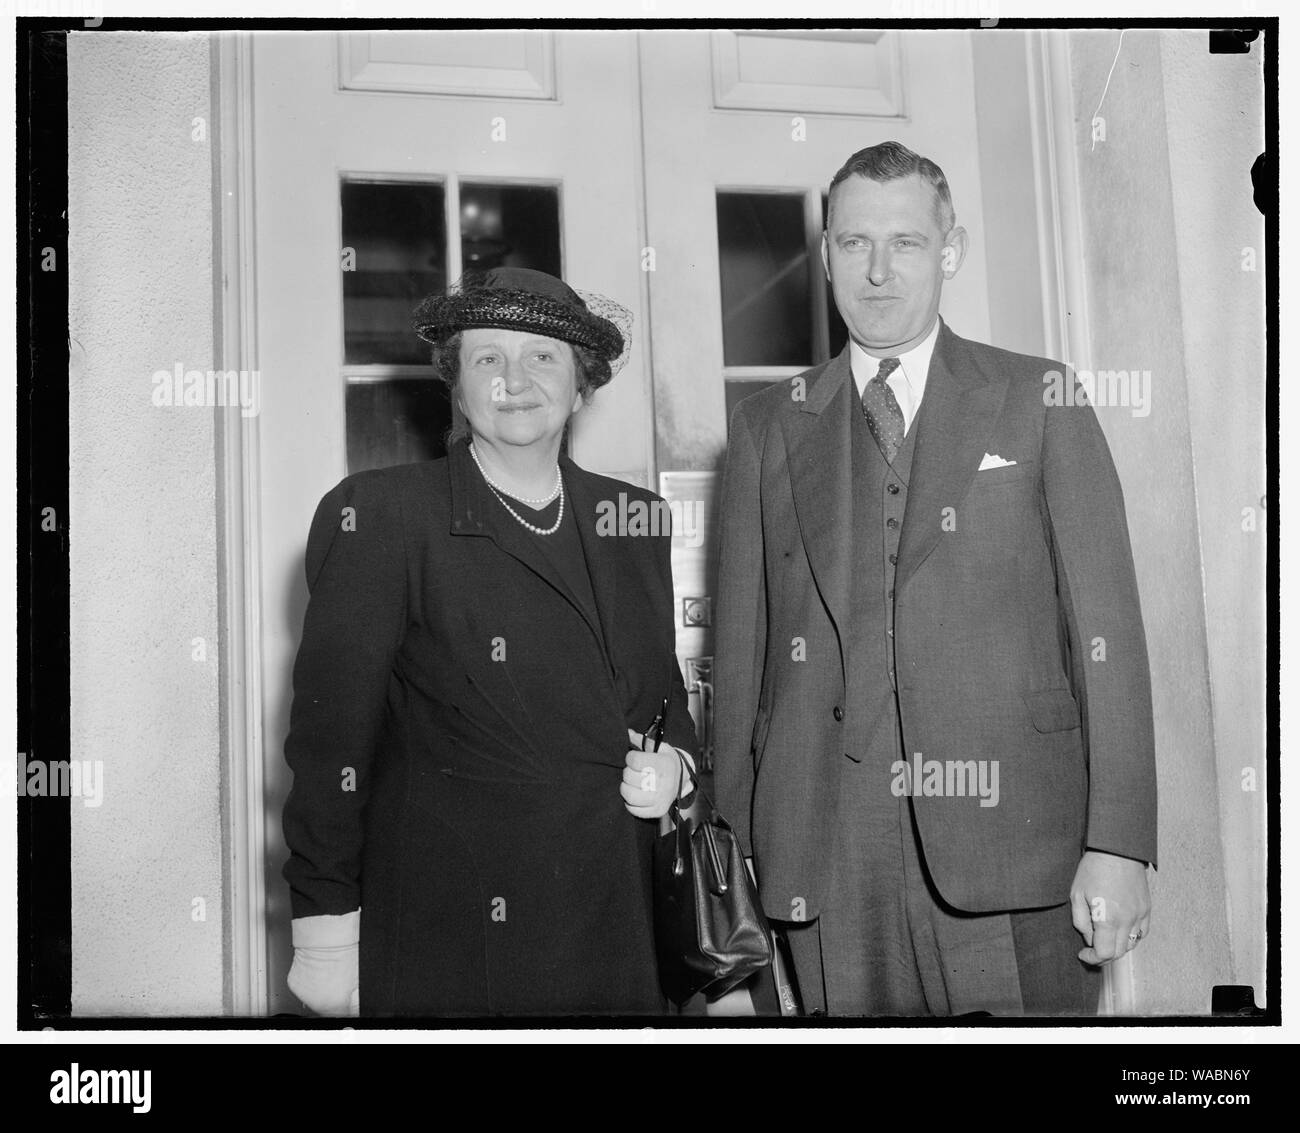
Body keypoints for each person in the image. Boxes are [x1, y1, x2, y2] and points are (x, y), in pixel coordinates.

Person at [713, 141, 1157, 1017]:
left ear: (949, 250)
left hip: (1019, 848)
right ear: (827, 253)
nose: (877, 271)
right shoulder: (768, 427)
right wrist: (730, 870)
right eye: (852, 244)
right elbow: (740, 659)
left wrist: (1120, 841)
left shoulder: (1039, 397)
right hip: (828, 861)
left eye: (906, 243)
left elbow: (1108, 635)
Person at [281, 267, 699, 1017]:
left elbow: (664, 700)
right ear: (458, 384)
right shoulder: (382, 517)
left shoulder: (633, 519)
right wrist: (326, 933)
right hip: (456, 938)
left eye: (543, 356)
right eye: (487, 358)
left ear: (580, 386)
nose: (515, 378)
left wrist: (678, 771)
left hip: (618, 931)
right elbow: (328, 750)